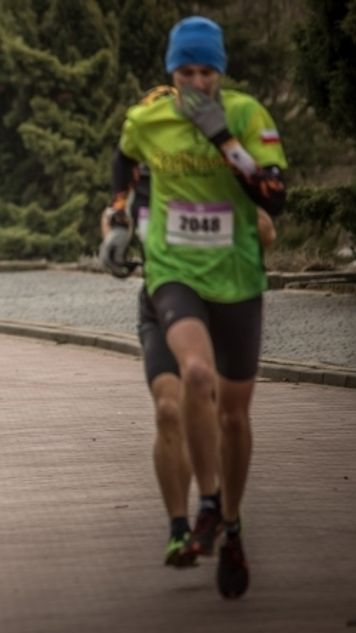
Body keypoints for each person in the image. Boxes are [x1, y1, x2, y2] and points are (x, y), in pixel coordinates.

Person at [102, 16, 288, 599]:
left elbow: (274, 197)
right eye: (187, 72)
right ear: (172, 72)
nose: (198, 82)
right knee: (195, 377)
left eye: (208, 72)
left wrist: (223, 139)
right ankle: (201, 507)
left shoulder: (247, 115)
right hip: (172, 271)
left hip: (237, 277)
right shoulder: (148, 119)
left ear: (221, 72)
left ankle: (231, 523)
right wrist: (118, 220)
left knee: (233, 416)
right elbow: (122, 166)